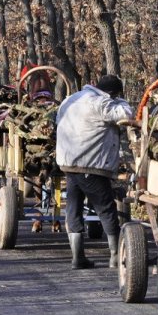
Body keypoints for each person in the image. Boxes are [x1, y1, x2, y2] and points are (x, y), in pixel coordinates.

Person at [55, 75, 133, 269]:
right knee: (106, 209)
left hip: (69, 164)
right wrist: (120, 101)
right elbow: (126, 114)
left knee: (74, 209)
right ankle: (115, 256)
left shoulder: (71, 99)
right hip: (91, 164)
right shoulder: (101, 103)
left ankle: (77, 257)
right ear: (113, 93)